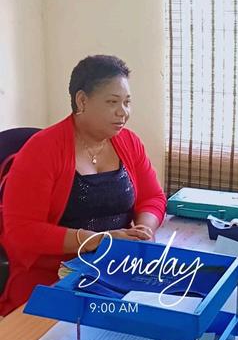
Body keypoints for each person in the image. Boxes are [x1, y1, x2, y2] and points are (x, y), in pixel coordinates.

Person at [0, 55, 166, 316]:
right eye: (112, 102)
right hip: (52, 277)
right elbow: (21, 231)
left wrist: (145, 228)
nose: (123, 112)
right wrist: (97, 241)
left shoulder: (129, 142)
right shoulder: (41, 151)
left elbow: (153, 197)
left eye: (127, 102)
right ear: (82, 101)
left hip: (115, 268)